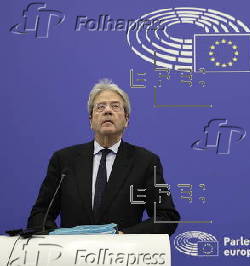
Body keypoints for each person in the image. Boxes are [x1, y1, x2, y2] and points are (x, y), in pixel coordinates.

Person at [27, 79, 180, 234]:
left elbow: (167, 217)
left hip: (122, 255)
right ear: (91, 120)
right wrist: (61, 239)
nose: (108, 111)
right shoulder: (64, 160)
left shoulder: (145, 162)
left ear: (126, 119)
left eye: (115, 106)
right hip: (72, 254)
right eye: (100, 107)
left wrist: (126, 236)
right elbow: (40, 214)